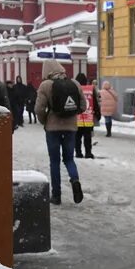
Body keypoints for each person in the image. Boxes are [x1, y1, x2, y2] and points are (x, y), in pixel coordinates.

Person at [34, 58, 86, 205]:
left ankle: (56, 195)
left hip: (53, 129)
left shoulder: (45, 85)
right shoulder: (74, 83)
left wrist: (45, 120)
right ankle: (75, 179)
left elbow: (38, 109)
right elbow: (83, 105)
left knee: (54, 162)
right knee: (69, 159)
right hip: (70, 129)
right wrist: (72, 114)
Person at [74, 73, 101, 159]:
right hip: (88, 117)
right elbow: (95, 102)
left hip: (77, 117)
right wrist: (98, 114)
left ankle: (78, 152)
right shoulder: (90, 89)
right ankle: (88, 153)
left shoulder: (74, 88)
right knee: (87, 136)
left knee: (77, 136)